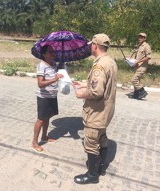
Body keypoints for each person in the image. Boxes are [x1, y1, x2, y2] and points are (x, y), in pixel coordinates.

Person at [72, 34, 118, 184]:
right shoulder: (110, 61)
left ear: (96, 46)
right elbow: (101, 85)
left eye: (91, 44)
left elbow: (96, 92)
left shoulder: (99, 65)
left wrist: (81, 94)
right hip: (106, 111)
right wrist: (84, 84)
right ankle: (100, 167)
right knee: (102, 138)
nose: (90, 46)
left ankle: (92, 175)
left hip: (96, 112)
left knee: (91, 142)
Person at [31, 45, 63, 153]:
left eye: (53, 51)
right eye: (50, 51)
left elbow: (60, 74)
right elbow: (40, 84)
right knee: (40, 119)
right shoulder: (42, 66)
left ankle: (44, 136)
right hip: (44, 97)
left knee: (47, 117)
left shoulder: (54, 64)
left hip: (52, 96)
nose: (52, 53)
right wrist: (55, 78)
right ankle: (34, 143)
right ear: (44, 54)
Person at [130, 32, 152, 99]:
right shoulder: (139, 46)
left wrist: (138, 61)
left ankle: (143, 92)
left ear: (144, 38)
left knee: (134, 80)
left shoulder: (146, 46)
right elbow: (136, 55)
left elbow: (149, 57)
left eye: (142, 37)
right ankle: (136, 94)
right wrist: (129, 60)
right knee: (137, 80)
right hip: (137, 66)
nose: (140, 38)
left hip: (142, 66)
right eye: (139, 37)